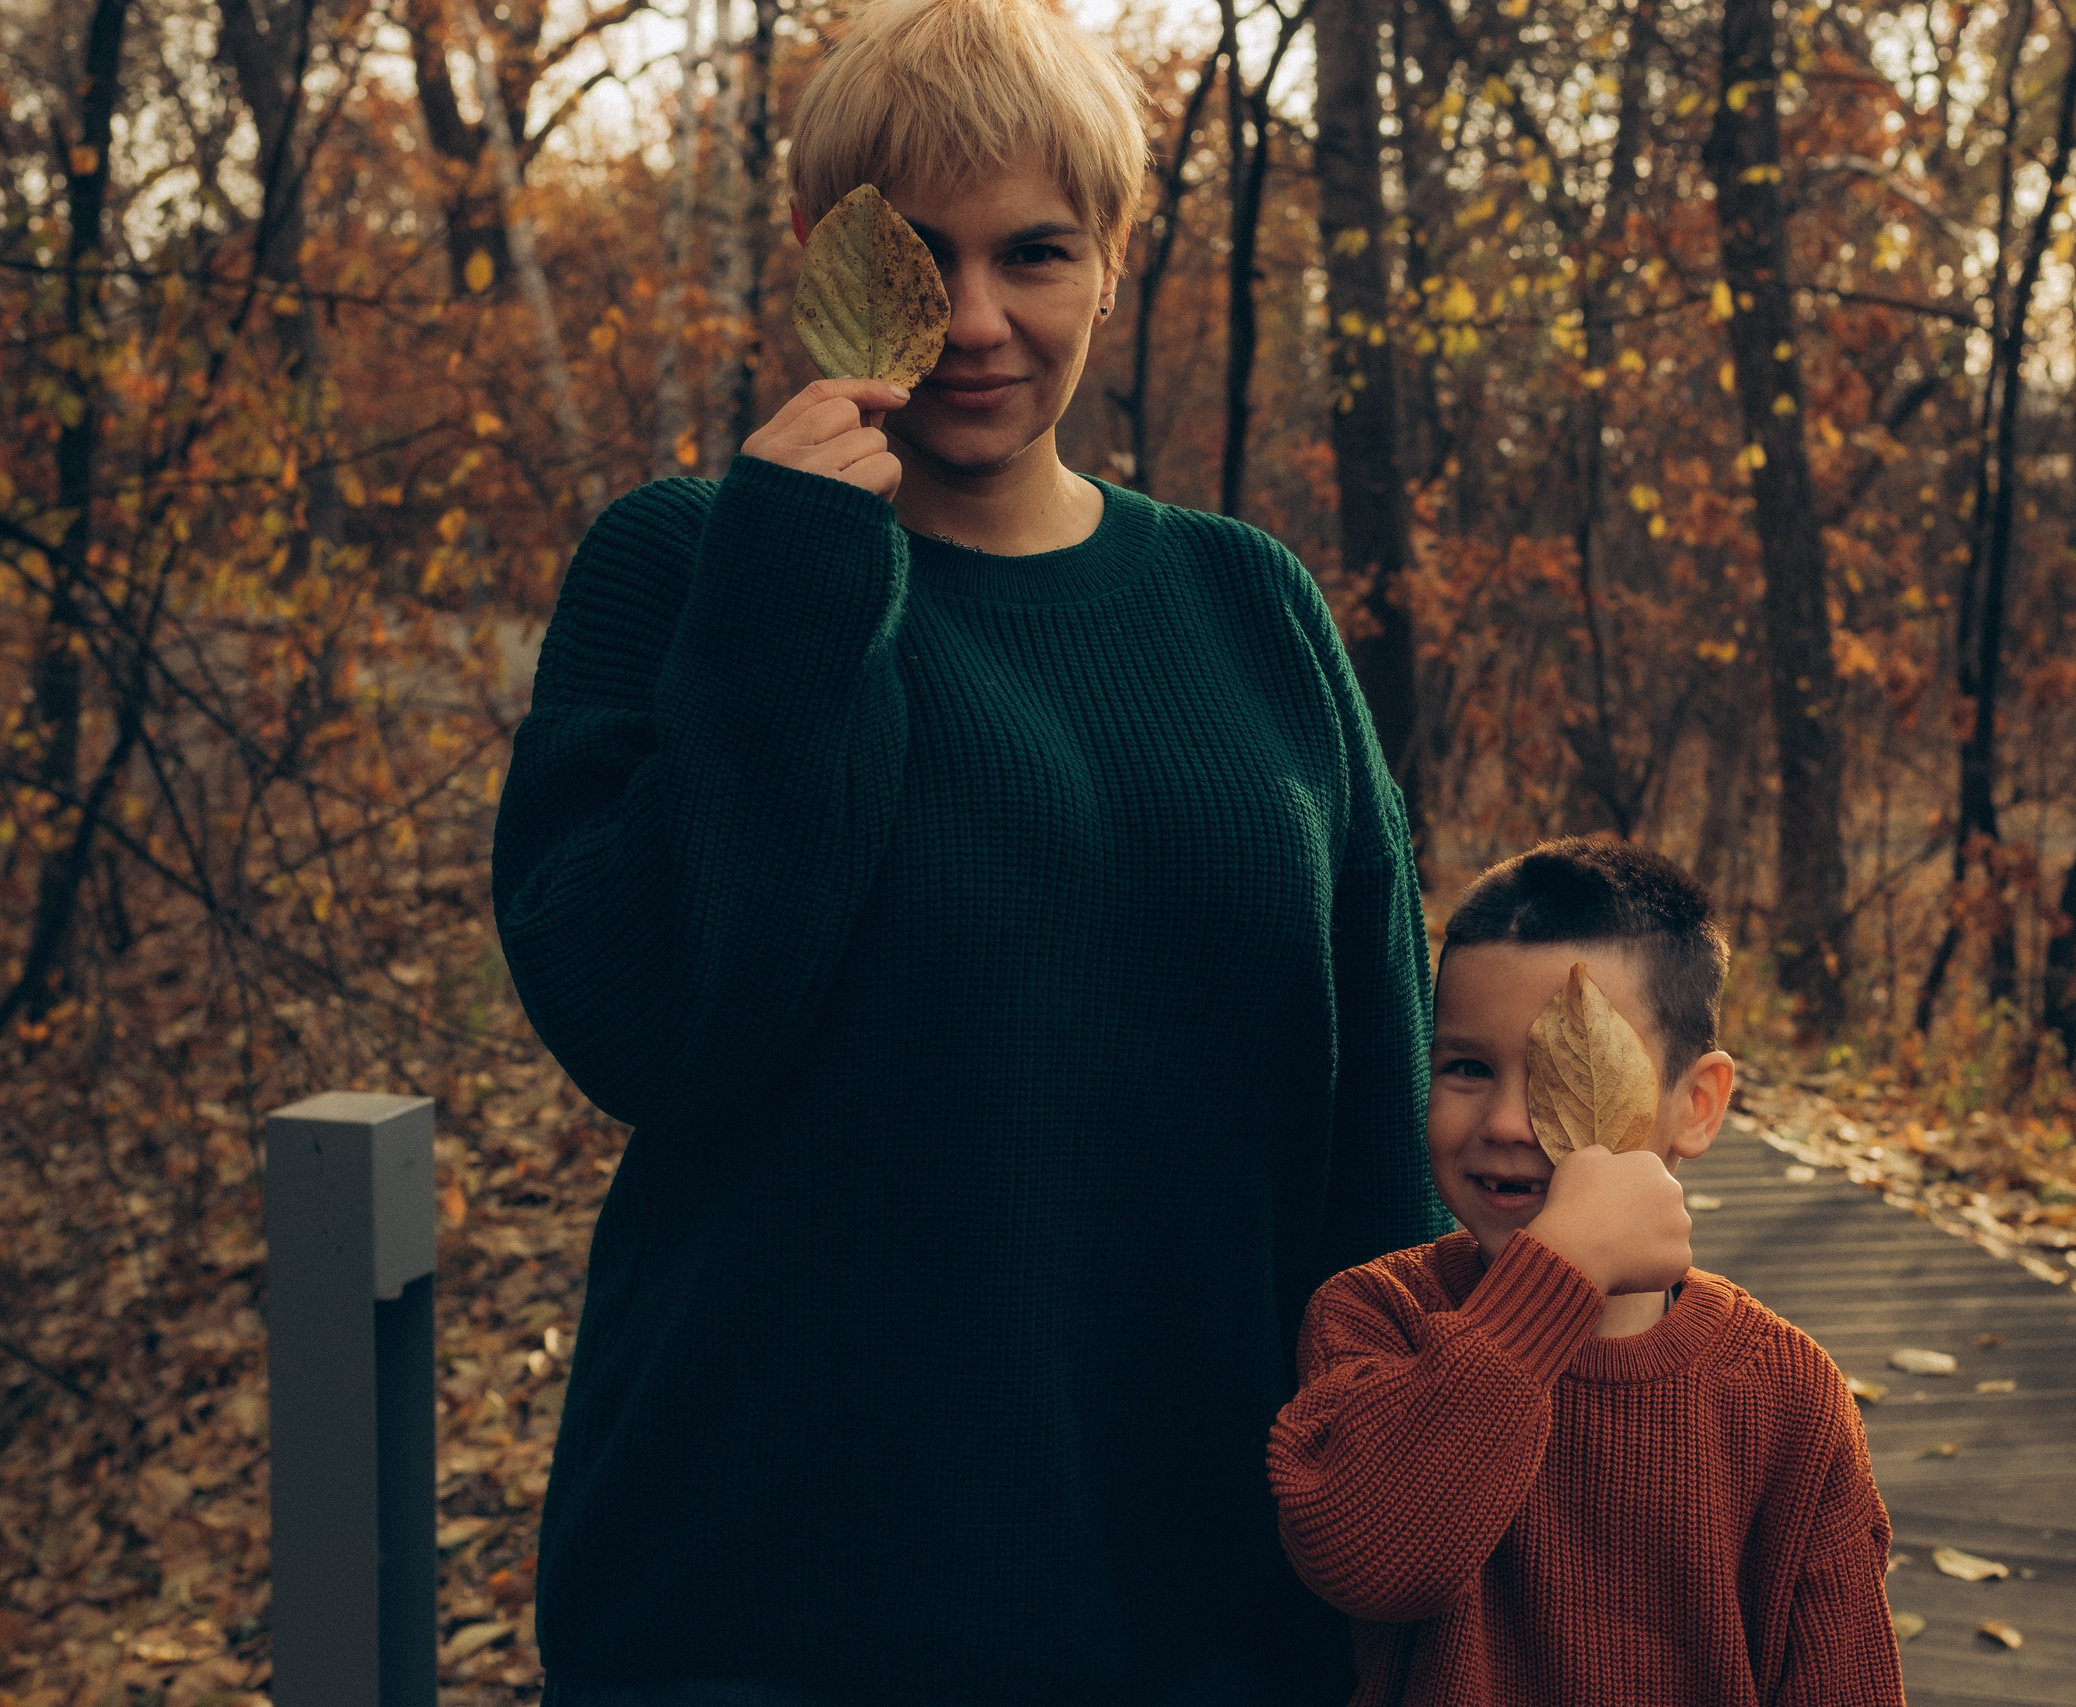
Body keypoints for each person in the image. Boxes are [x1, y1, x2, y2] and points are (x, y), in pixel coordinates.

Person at [489, 0, 1441, 1698]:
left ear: (1116, 259)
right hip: (768, 1600)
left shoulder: (1250, 603)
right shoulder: (688, 569)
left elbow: (1368, 1117)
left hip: (1203, 1592)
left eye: (1038, 253)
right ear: (817, 252)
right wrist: (797, 578)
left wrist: (1395, 1556)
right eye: (923, 257)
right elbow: (659, 1021)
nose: (981, 320)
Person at [1268, 838, 1904, 1706]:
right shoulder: (1377, 1316)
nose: (1502, 1119)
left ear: (1699, 1104)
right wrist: (1556, 1278)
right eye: (1465, 1066)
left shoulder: (1787, 1395)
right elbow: (1371, 1560)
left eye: (1565, 1073)